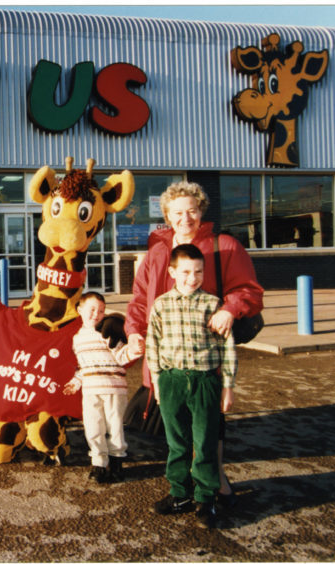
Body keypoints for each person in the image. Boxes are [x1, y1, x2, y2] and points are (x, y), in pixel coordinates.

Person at [121, 181, 263, 508]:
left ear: (201, 212)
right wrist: (134, 332)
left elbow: (249, 290)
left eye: (192, 211)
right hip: (169, 357)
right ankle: (184, 490)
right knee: (178, 429)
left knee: (209, 425)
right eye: (178, 212)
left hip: (205, 355)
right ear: (167, 216)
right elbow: (141, 300)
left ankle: (214, 487)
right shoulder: (157, 253)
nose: (186, 218)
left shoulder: (223, 246)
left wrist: (230, 309)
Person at [146, 244, 237, 528]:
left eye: (198, 271)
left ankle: (206, 499)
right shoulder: (161, 305)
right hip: (172, 380)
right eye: (185, 271)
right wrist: (158, 382)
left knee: (205, 441)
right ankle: (180, 494)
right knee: (177, 442)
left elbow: (228, 347)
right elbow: (153, 344)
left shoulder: (213, 305)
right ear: (172, 272)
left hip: (205, 381)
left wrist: (228, 386)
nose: (191, 278)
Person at [64, 292, 141, 483]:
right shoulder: (76, 339)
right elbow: (83, 367)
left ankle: (116, 462)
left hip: (114, 388)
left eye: (101, 310)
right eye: (91, 309)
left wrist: (134, 350)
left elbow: (122, 356)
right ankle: (99, 463)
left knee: (115, 427)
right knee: (93, 427)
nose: (95, 314)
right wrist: (75, 382)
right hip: (90, 391)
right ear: (79, 310)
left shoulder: (107, 332)